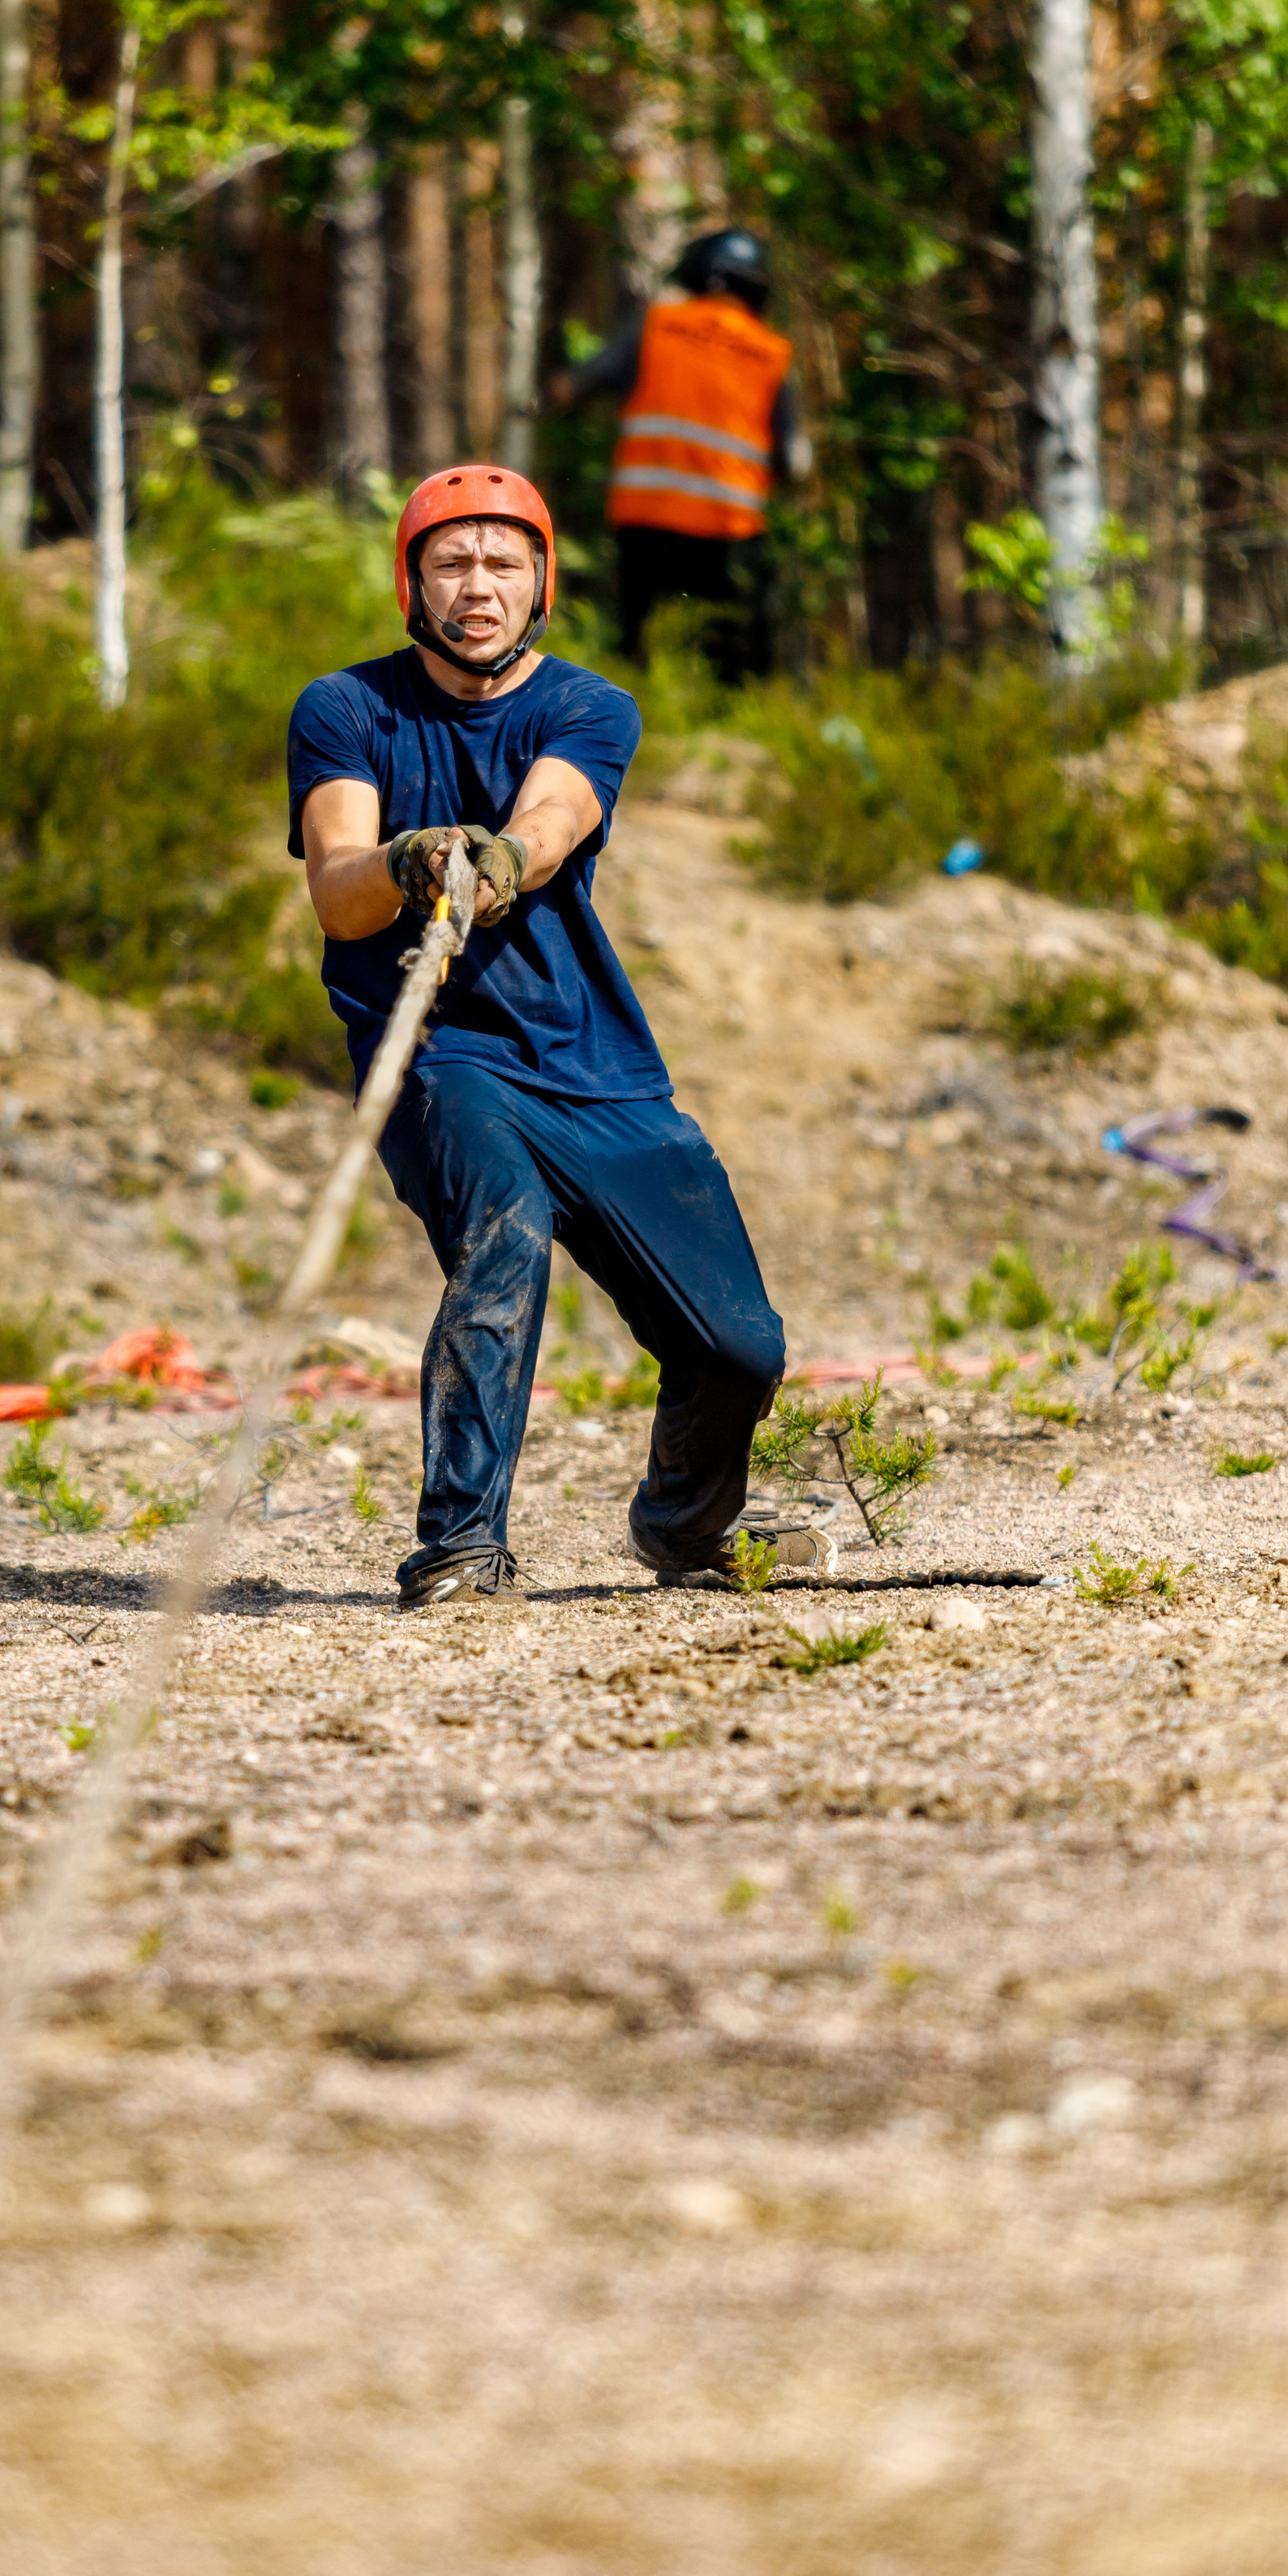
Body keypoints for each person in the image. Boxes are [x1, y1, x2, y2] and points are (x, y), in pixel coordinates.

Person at [287, 460, 810, 1609]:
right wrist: (411, 861)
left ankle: (682, 1525)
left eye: (502, 563)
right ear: (411, 583)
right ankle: (461, 1546)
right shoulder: (344, 709)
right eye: (451, 562)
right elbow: (336, 888)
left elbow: (559, 810)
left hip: (592, 1060)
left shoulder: (591, 705)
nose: (477, 585)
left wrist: (507, 858)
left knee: (737, 1350)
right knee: (503, 1239)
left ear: (541, 584)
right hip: (436, 1054)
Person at [560, 226, 811, 684]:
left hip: (647, 516)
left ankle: (640, 722)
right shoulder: (772, 353)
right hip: (729, 526)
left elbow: (578, 385)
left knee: (638, 645)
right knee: (731, 652)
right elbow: (794, 459)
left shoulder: (658, 324)